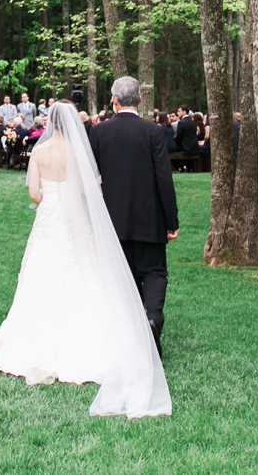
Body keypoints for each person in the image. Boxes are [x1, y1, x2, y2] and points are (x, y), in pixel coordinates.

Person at [0, 98, 172, 419]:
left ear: (49, 121)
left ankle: (35, 339)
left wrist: (48, 198)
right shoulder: (79, 152)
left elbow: (33, 192)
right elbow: (91, 187)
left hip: (49, 216)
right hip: (75, 216)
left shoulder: (40, 152)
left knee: (42, 273)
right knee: (85, 270)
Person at [87, 77, 178, 359]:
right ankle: (152, 318)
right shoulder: (153, 131)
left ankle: (128, 332)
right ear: (139, 100)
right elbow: (164, 178)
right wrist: (171, 220)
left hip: (113, 217)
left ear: (114, 100)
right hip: (150, 217)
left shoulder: (99, 132)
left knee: (121, 274)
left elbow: (92, 177)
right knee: (153, 271)